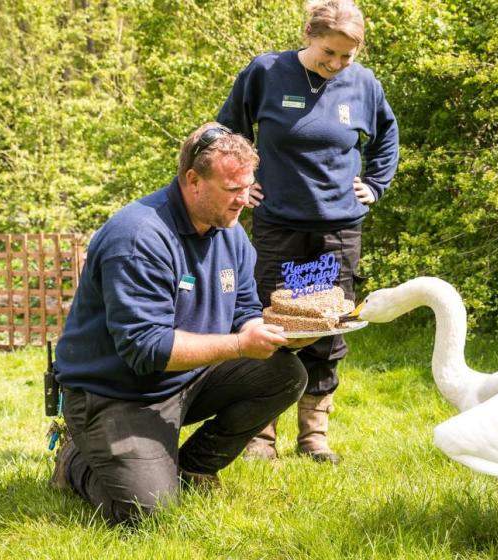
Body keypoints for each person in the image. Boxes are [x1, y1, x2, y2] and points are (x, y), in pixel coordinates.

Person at [50, 122, 313, 526]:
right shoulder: (138, 237)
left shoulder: (232, 234)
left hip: (185, 379)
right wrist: (241, 346)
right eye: (232, 189)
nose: (244, 199)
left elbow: (244, 310)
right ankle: (75, 460)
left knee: (285, 374)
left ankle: (192, 467)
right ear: (193, 180)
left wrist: (285, 333)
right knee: (147, 515)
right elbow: (145, 349)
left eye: (248, 187)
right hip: (116, 393)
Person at [217, 0, 399, 464]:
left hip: (338, 230)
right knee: (272, 323)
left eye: (346, 57)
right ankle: (261, 436)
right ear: (308, 36)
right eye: (328, 54)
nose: (336, 65)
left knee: (328, 327)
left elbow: (386, 137)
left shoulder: (365, 85)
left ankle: (314, 436)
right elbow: (225, 134)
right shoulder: (264, 73)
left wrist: (376, 185)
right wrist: (242, 184)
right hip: (279, 225)